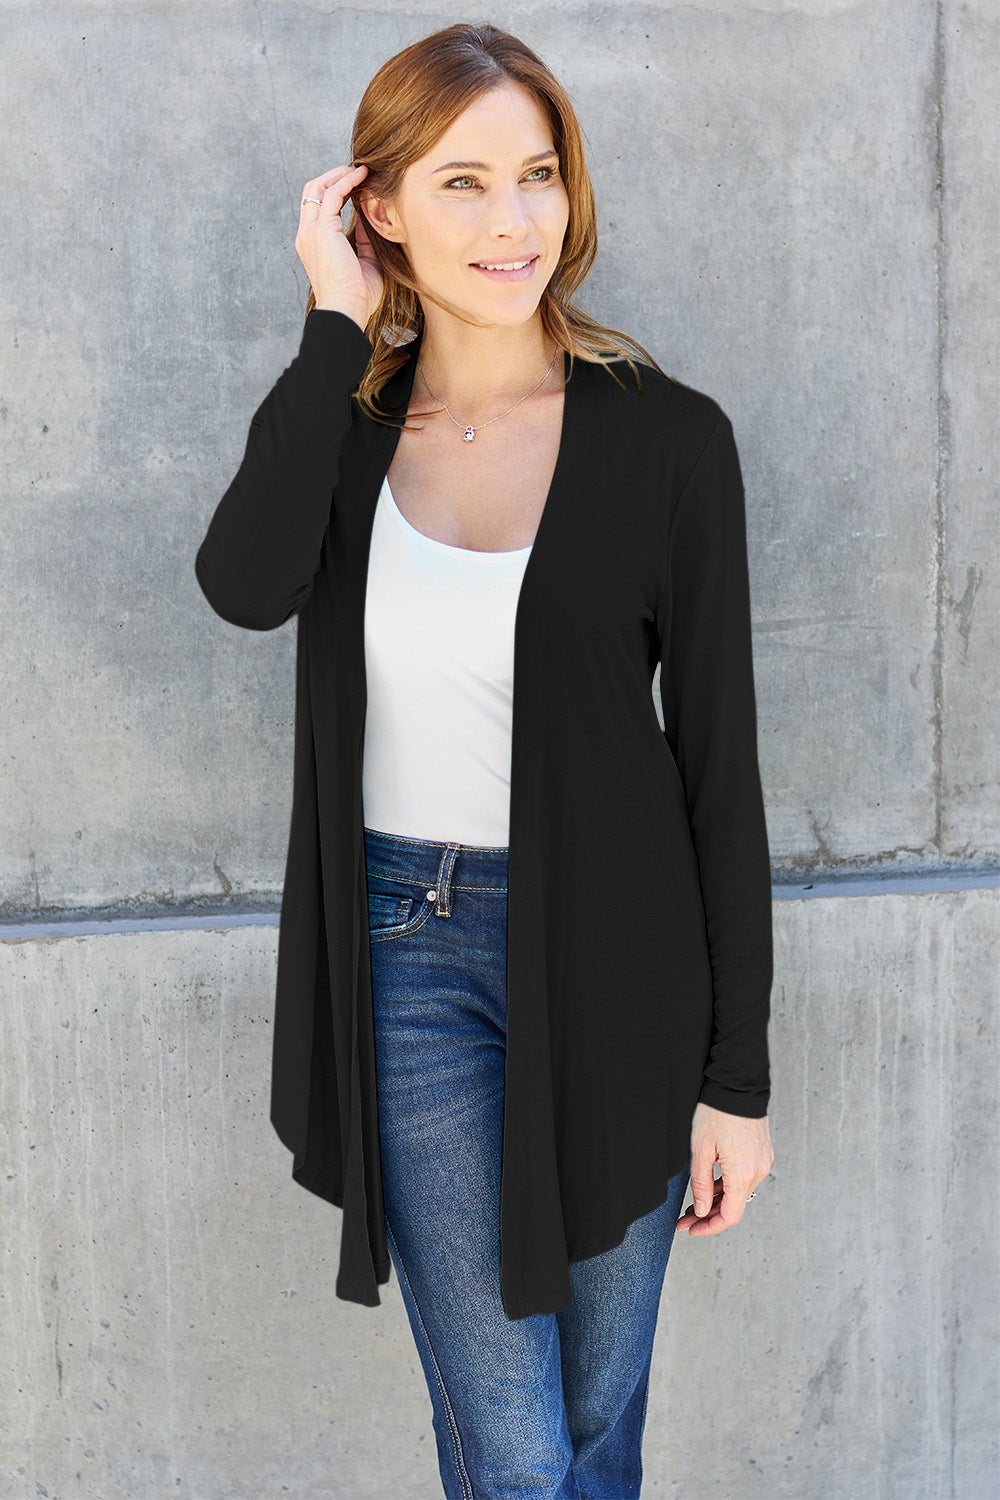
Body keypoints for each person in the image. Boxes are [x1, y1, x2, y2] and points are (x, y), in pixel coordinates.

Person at [196, 21, 775, 1499]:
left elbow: (720, 772)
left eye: (537, 177)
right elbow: (245, 583)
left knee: (594, 1418)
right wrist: (334, 326)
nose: (514, 222)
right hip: (408, 961)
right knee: (514, 1448)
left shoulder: (670, 442)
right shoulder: (350, 429)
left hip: (625, 968)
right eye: (462, 183)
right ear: (377, 206)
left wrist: (738, 1082)